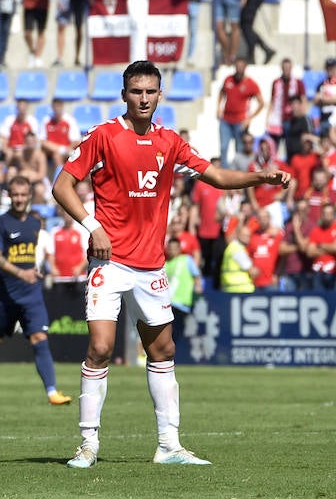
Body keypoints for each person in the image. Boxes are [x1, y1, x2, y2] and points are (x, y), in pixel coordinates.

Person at [53, 60, 292, 468]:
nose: (143, 99)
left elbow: (214, 175)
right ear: (124, 94)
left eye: (150, 92)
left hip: (150, 266)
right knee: (100, 347)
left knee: (162, 349)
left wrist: (260, 178)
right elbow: (62, 185)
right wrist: (93, 226)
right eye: (136, 91)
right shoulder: (104, 136)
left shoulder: (170, 142)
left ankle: (169, 445)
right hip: (109, 262)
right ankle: (88, 445)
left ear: (160, 95)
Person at [0, 176, 71, 405]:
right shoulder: (2, 223)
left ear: (30, 196)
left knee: (40, 338)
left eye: (23, 195)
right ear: (9, 196)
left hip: (31, 294)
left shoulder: (34, 223)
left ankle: (52, 393)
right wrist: (21, 273)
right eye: (15, 195)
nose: (19, 199)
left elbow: (29, 256)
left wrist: (34, 271)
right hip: (5, 294)